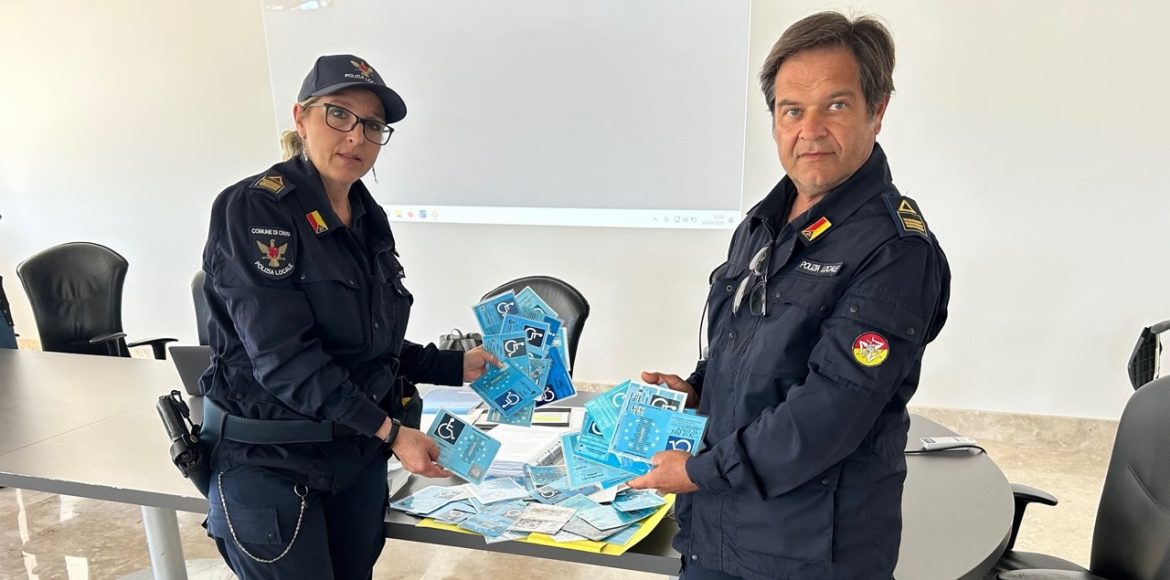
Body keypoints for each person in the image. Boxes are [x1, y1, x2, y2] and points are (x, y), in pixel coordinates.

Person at [628, 12, 951, 580]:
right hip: (718, 533)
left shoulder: (896, 252)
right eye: (792, 110)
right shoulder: (764, 223)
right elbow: (744, 353)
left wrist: (698, 472)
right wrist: (696, 389)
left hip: (809, 552)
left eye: (836, 105)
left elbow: (829, 412)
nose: (811, 129)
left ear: (877, 111)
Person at [198, 54, 497, 579]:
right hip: (272, 462)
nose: (356, 136)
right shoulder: (257, 209)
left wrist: (453, 365)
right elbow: (286, 359)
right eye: (338, 114)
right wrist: (393, 433)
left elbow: (365, 341)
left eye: (373, 125)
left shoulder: (366, 214)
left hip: (353, 459)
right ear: (301, 118)